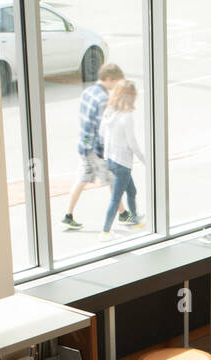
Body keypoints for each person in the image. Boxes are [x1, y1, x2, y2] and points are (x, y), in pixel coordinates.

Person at [62, 63, 125, 231]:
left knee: (82, 179)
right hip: (97, 148)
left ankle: (68, 215)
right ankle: (123, 214)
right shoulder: (103, 98)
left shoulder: (87, 92)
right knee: (112, 179)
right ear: (110, 79)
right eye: (116, 83)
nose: (115, 87)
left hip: (84, 144)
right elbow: (101, 127)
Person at [98, 80, 146, 238]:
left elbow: (103, 134)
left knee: (132, 190)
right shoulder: (127, 116)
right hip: (123, 163)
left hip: (110, 160)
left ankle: (135, 219)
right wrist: (145, 160)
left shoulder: (110, 111)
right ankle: (105, 231)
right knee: (116, 199)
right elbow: (132, 143)